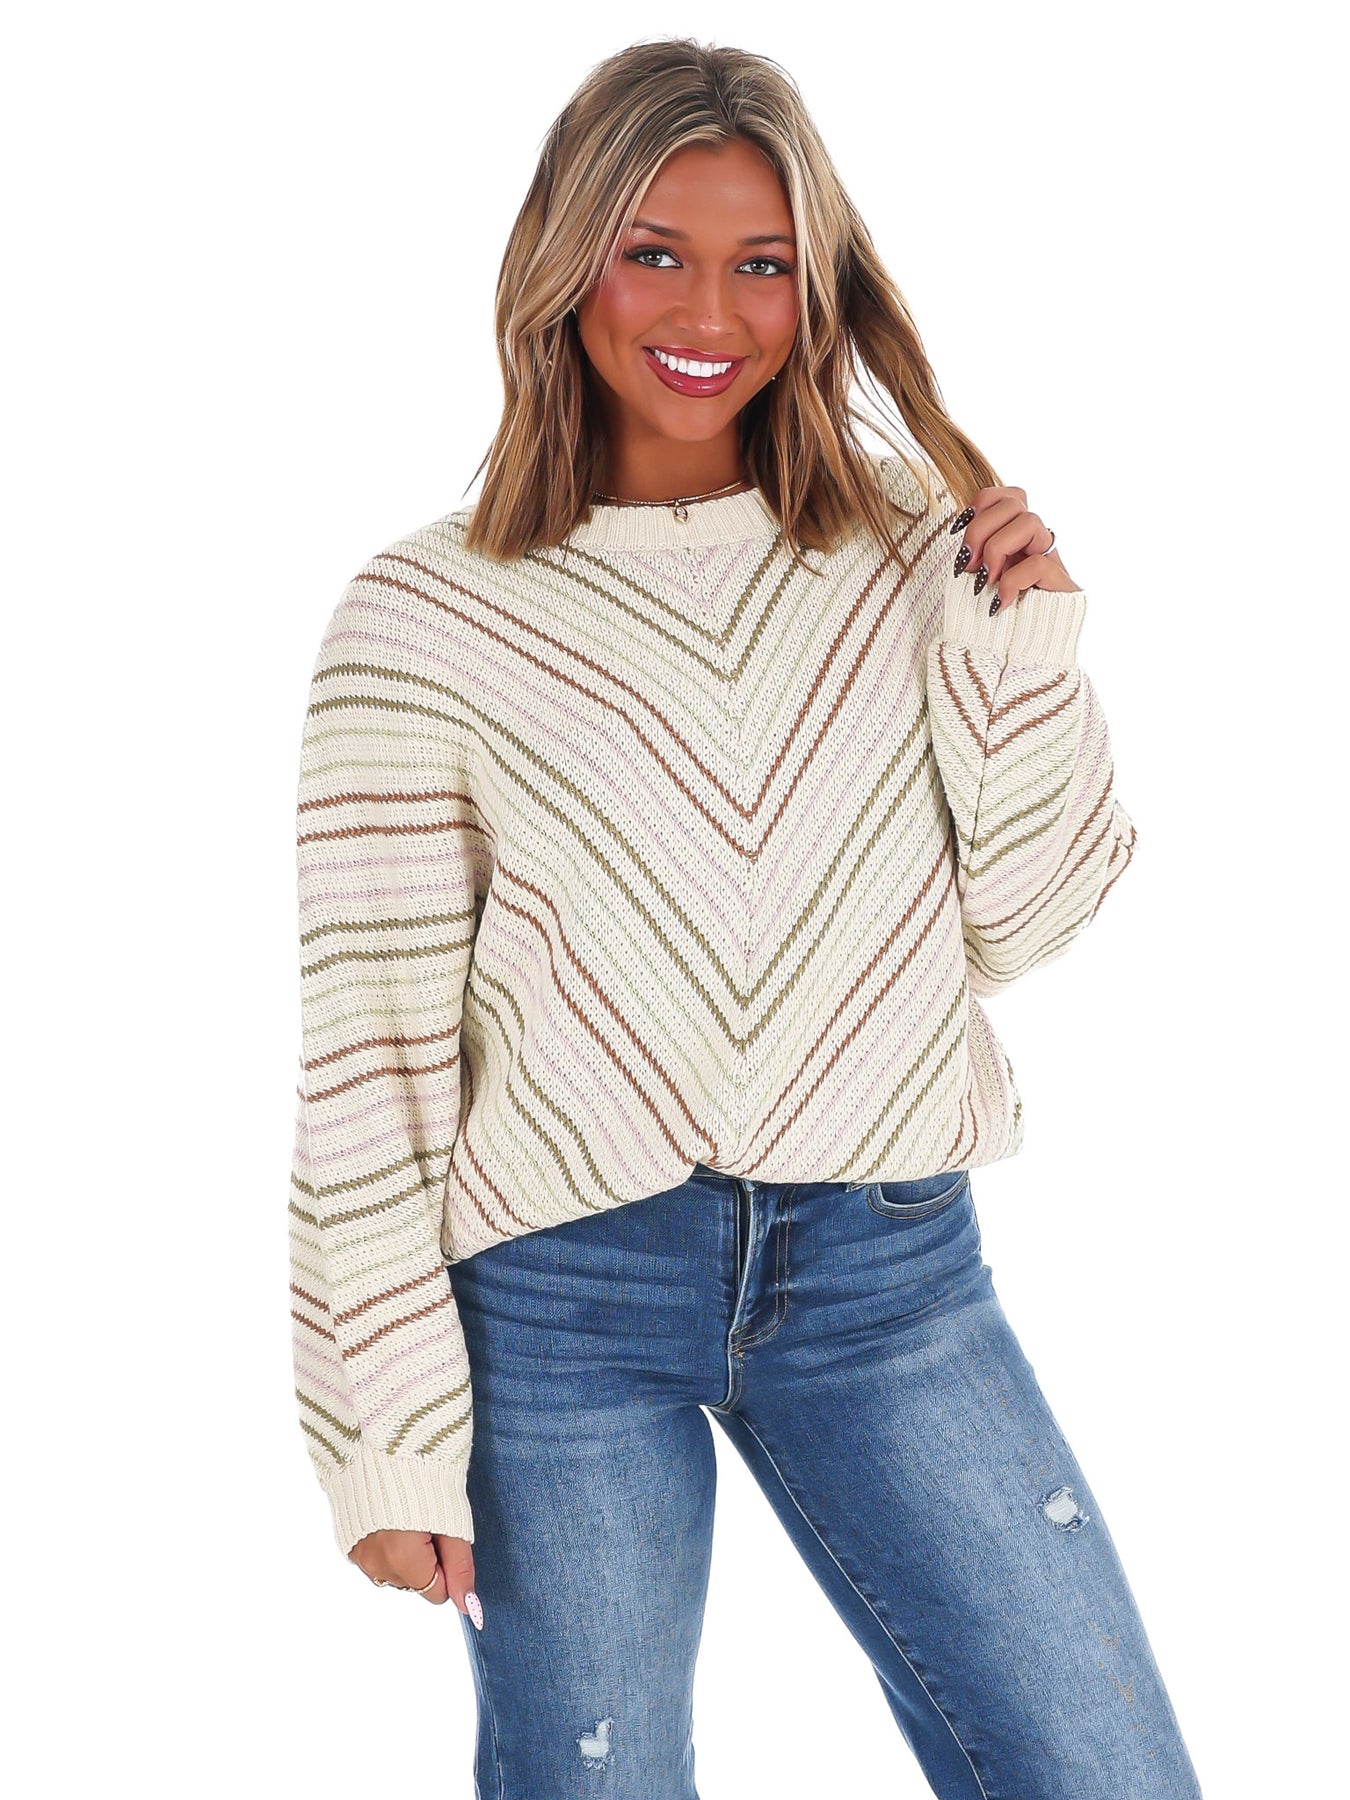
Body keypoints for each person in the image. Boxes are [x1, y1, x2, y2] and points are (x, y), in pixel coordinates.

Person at [287, 35, 1203, 1800]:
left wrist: (1022, 658)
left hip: (886, 1270)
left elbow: (1019, 922)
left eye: (762, 263)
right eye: (655, 251)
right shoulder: (422, 617)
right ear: (565, 261)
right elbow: (370, 1052)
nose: (710, 311)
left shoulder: (910, 549)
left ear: (816, 285)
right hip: (564, 1297)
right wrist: (381, 1433)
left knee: (1104, 1771)